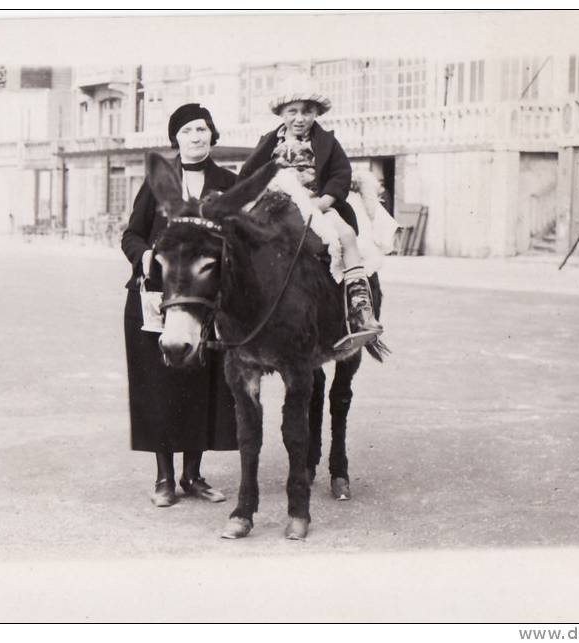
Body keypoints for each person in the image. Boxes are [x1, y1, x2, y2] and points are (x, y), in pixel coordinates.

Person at [121, 103, 239, 507]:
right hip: (156, 298)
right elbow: (131, 235)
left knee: (203, 386)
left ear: (212, 134)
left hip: (204, 302)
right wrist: (145, 256)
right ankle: (164, 478)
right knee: (160, 386)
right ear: (176, 138)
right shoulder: (159, 180)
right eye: (188, 130)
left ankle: (194, 475)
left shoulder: (227, 181)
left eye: (203, 129)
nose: (196, 136)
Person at [239, 89, 384, 351]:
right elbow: (248, 174)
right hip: (276, 207)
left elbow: (341, 174)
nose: (300, 118)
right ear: (281, 114)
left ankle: (359, 306)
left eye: (307, 111)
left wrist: (326, 200)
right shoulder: (268, 143)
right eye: (292, 111)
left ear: (316, 113)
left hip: (316, 204)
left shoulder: (327, 142)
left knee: (348, 236)